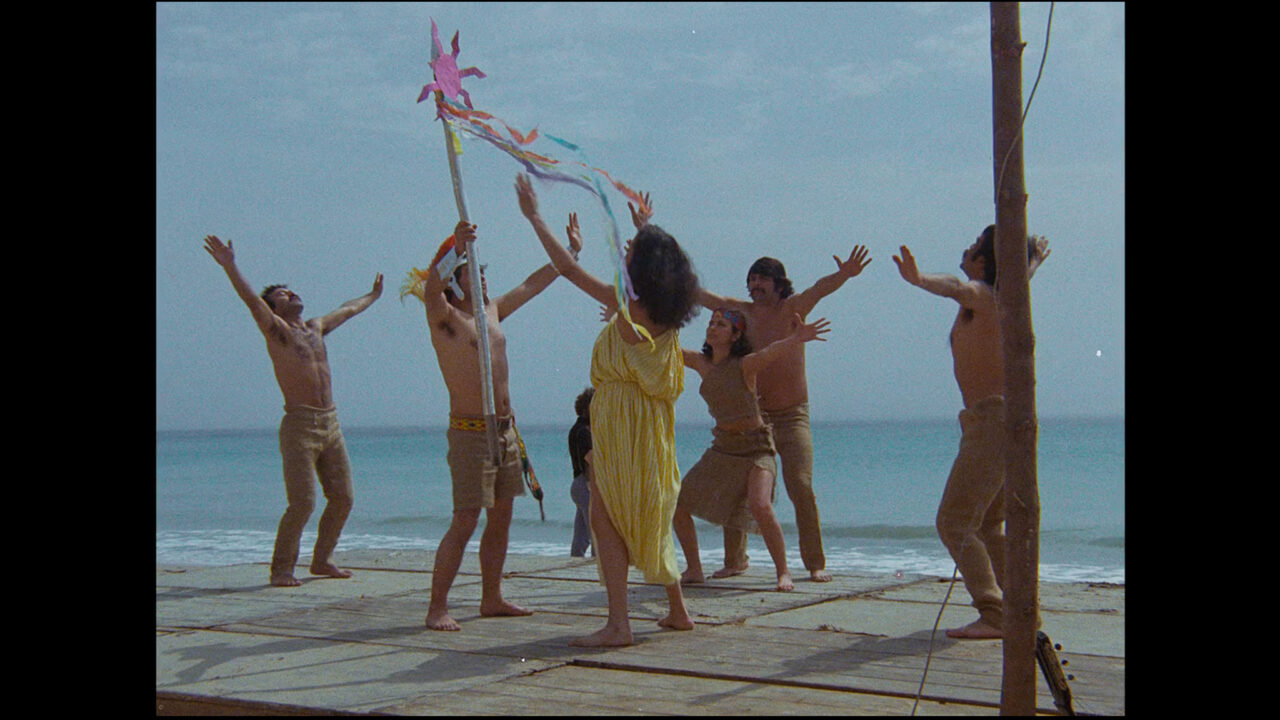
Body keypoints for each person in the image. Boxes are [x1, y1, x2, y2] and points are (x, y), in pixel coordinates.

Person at [516, 173, 699, 647]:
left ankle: (619, 625)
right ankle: (677, 611)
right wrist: (645, 229)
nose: (625, 253)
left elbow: (567, 269)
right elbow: (650, 265)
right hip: (649, 427)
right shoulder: (664, 315)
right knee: (650, 516)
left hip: (622, 426)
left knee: (606, 517)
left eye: (632, 252)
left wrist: (534, 217)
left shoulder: (628, 308)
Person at [402, 218, 578, 631]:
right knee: (465, 519)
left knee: (502, 517)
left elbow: (534, 283)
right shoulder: (444, 316)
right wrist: (453, 250)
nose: (481, 277)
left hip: (505, 430)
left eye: (481, 270)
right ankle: (436, 607)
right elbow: (431, 288)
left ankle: (491, 597)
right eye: (471, 271)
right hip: (469, 433)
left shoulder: (491, 311)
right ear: (454, 280)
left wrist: (571, 252)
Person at [892, 224, 1050, 639]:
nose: (966, 248)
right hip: (996, 420)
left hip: (993, 420)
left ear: (984, 261)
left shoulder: (980, 293)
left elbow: (955, 287)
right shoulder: (1002, 298)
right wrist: (1033, 261)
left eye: (974, 246)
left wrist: (919, 279)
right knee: (987, 525)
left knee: (955, 522)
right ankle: (1020, 611)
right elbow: (1014, 281)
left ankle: (994, 611)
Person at [202, 234, 382, 587]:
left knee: (343, 498)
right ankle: (282, 569)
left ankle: (322, 560)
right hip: (299, 425)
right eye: (282, 295)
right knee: (302, 503)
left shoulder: (315, 328)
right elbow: (250, 300)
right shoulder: (277, 331)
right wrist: (230, 266)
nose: (291, 294)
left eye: (290, 290)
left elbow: (347, 309)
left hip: (331, 423)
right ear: (273, 309)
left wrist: (372, 296)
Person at [698, 246, 871, 582]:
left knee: (801, 485)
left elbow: (819, 288)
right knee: (738, 487)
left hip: (792, 415)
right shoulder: (741, 312)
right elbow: (700, 295)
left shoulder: (793, 308)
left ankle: (814, 563)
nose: (755, 284)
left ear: (779, 283)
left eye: (762, 279)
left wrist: (844, 274)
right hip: (753, 418)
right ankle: (735, 560)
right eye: (751, 279)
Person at [674, 309, 831, 593]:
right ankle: (694, 568)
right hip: (723, 447)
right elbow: (664, 345)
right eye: (711, 323)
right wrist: (624, 317)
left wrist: (796, 339)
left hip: (756, 447)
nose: (712, 328)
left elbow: (770, 352)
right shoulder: (701, 363)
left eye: (721, 325)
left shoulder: (745, 365)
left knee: (760, 505)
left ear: (736, 336)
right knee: (678, 504)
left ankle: (783, 572)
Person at [568, 387, 595, 557]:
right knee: (596, 531)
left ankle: (575, 559)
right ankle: (598, 562)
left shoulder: (578, 429)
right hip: (585, 483)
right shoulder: (583, 432)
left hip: (579, 483)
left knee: (582, 533)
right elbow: (591, 459)